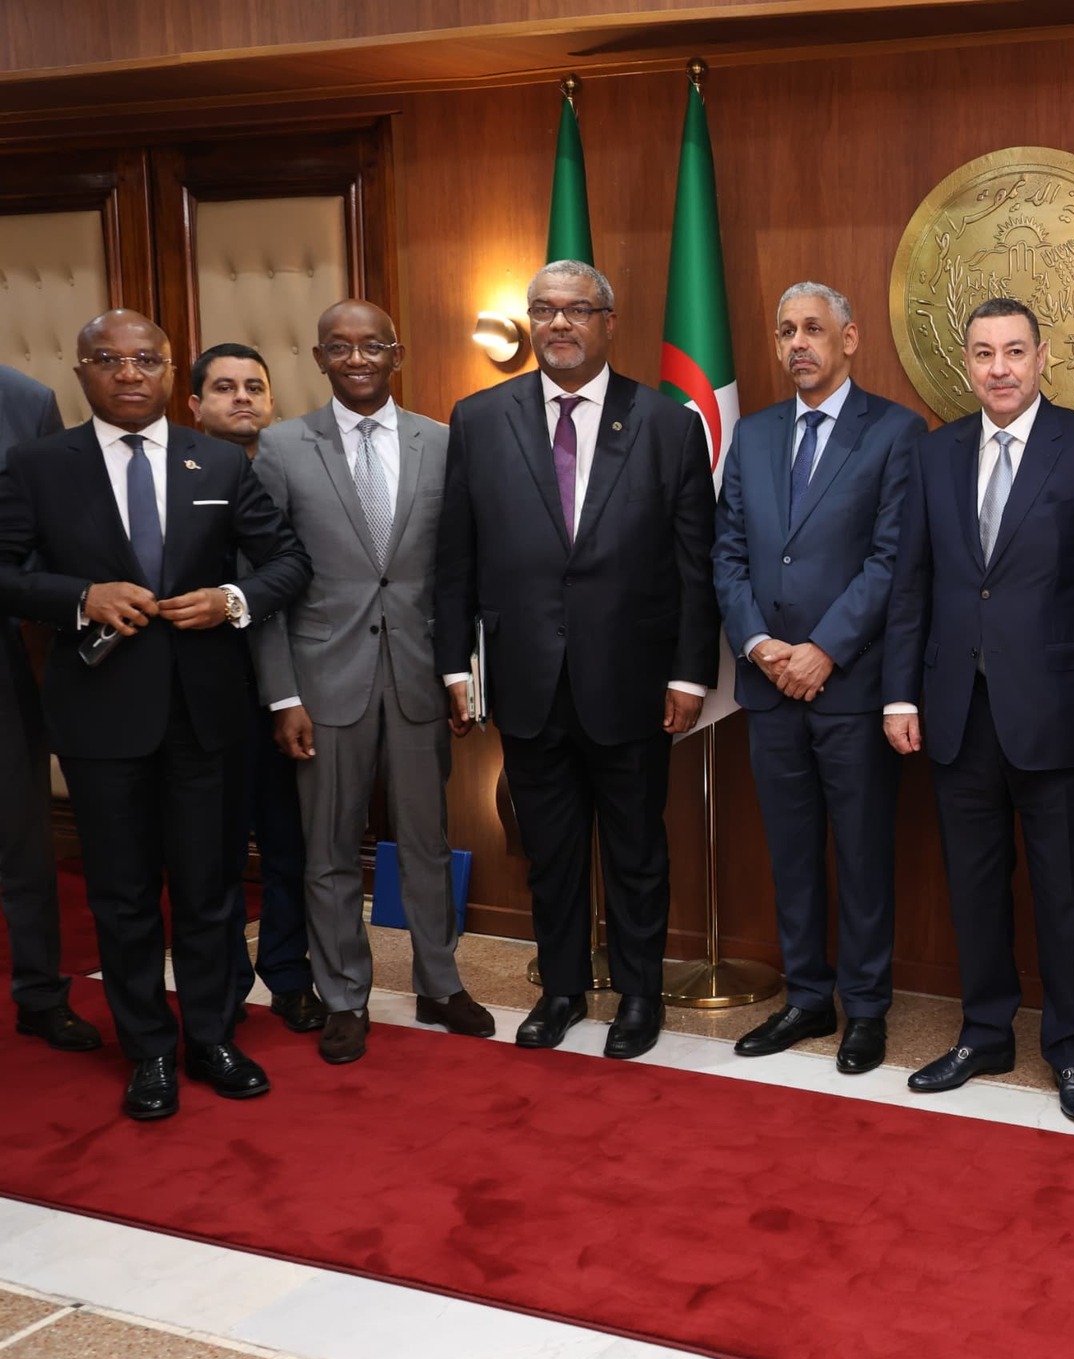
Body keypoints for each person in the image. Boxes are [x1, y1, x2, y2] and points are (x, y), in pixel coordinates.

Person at [0, 311, 310, 1121]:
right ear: (82, 371)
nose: (129, 373)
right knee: (123, 893)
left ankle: (210, 1036)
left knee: (209, 889)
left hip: (205, 713)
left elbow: (288, 561)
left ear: (172, 372)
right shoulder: (39, 465)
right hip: (100, 715)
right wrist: (80, 596)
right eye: (109, 359)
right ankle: (149, 1049)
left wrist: (232, 599)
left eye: (146, 359)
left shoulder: (218, 460)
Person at [435, 261, 718, 1061]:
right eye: (544, 310)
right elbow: (456, 556)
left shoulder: (666, 424)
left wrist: (689, 673)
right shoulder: (479, 418)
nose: (559, 323)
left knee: (636, 851)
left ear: (608, 322)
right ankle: (560, 989)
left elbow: (694, 565)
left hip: (634, 682)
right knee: (550, 852)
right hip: (526, 679)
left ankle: (638, 993)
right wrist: (455, 667)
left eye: (577, 310)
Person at [883, 296, 1074, 1122]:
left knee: (1067, 893)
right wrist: (901, 691)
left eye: (1015, 351)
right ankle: (984, 1031)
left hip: (1061, 710)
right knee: (974, 885)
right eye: (984, 353)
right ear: (966, 363)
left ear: (1042, 356)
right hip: (957, 710)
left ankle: (1072, 1050)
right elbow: (911, 582)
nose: (999, 368)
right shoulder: (935, 452)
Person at [254, 301, 496, 1065]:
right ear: (318, 357)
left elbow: (461, 570)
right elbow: (265, 582)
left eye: (372, 345)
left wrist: (463, 672)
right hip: (323, 683)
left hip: (421, 675)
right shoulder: (281, 447)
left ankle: (439, 982)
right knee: (329, 847)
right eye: (340, 346)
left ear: (398, 353)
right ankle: (344, 996)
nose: (357, 358)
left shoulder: (442, 441)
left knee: (428, 840)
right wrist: (283, 694)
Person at [714, 283, 924, 1074]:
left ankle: (864, 1008)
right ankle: (806, 997)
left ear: (850, 338)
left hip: (851, 686)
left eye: (813, 329)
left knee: (863, 855)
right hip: (769, 685)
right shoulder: (753, 434)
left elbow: (891, 558)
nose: (798, 343)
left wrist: (825, 648)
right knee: (791, 851)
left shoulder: (895, 432)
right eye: (785, 331)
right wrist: (760, 643)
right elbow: (728, 552)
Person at [188, 342, 324, 1036]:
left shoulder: (294, 467)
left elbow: (298, 576)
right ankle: (225, 986)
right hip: (200, 690)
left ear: (271, 401)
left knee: (288, 843)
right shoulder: (174, 473)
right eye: (224, 387)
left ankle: (289, 977)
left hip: (291, 687)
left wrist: (288, 693)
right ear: (195, 405)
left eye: (253, 387)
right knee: (211, 853)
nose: (241, 397)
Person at [0, 362, 96, 1052]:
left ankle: (39, 994)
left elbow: (45, 538)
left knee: (22, 835)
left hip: (3, 649)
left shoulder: (24, 400)